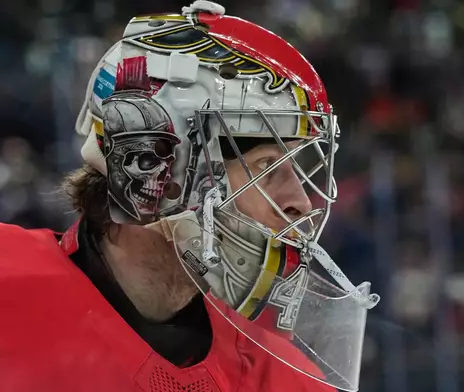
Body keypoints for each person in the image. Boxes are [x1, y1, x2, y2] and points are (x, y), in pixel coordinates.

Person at [0, 2, 379, 392]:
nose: (300, 201)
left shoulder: (280, 380)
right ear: (158, 169)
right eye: (265, 168)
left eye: (298, 170)